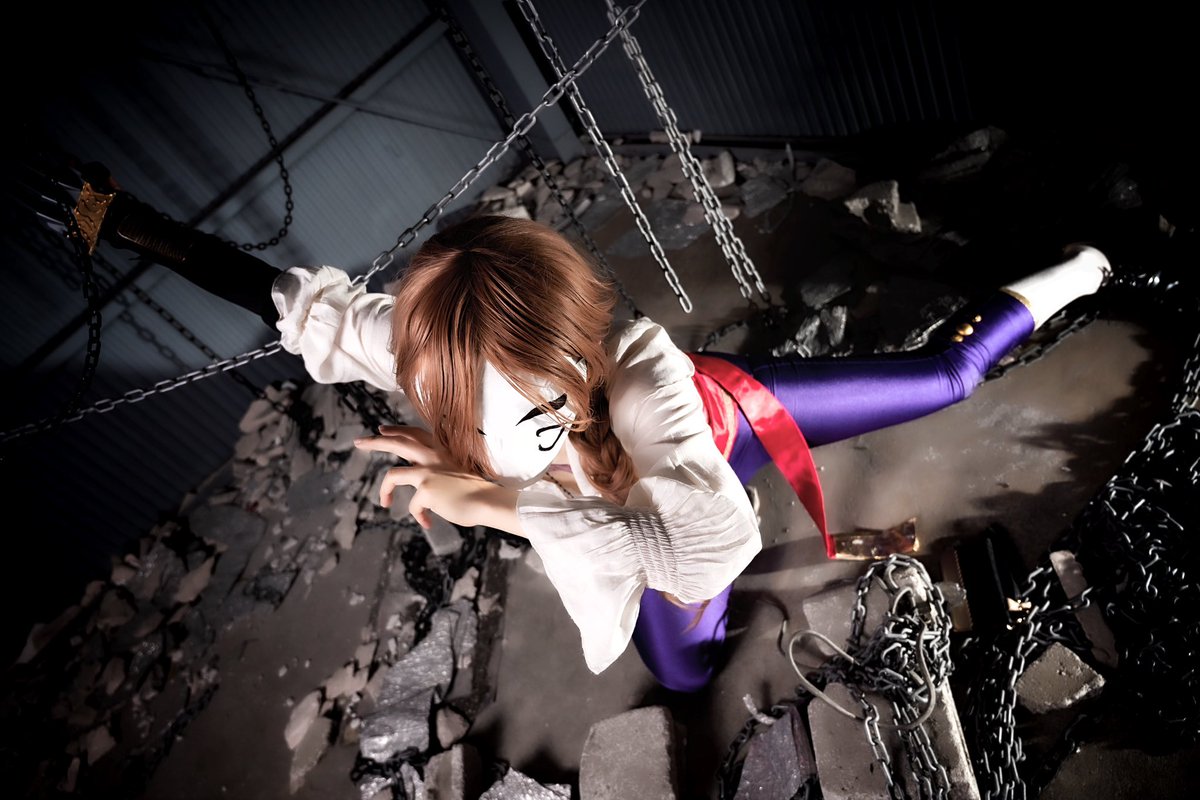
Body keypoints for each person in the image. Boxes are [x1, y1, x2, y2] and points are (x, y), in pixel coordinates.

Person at [89, 186, 1109, 692]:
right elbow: (294, 302)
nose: (499, 418)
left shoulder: (645, 377)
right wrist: (131, 224)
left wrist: (498, 502)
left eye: (524, 390)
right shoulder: (420, 351)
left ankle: (1084, 269)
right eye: (462, 393)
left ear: (567, 346)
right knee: (685, 671)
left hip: (721, 425)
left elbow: (711, 541)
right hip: (633, 504)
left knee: (943, 377)